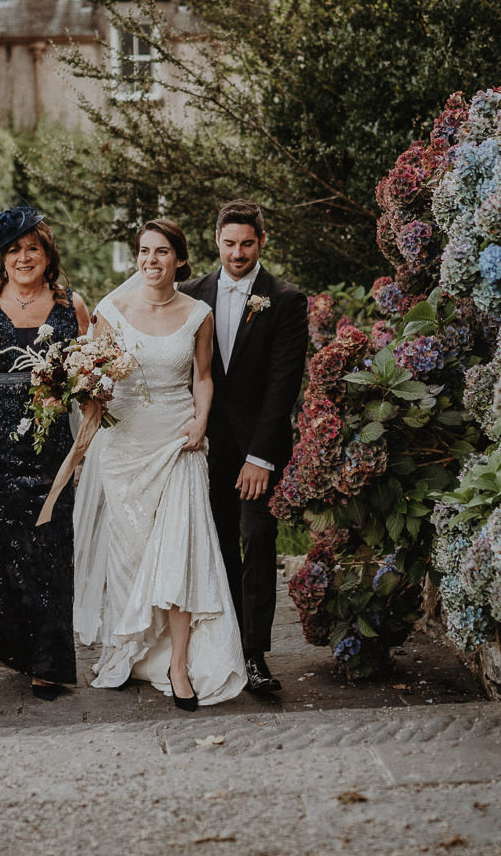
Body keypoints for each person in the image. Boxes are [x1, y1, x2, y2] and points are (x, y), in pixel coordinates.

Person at [72, 218, 246, 709]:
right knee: (130, 560)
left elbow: (204, 377)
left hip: (178, 443)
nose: (151, 260)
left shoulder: (198, 313)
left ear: (180, 259)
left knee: (179, 554)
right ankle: (132, 651)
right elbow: (94, 380)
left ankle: (178, 663)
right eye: (144, 252)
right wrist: (83, 397)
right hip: (125, 449)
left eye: (162, 252)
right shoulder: (111, 310)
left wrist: (200, 423)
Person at [0, 206, 90, 701]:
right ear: (2, 259)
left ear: (48, 257)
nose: (24, 258)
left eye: (34, 248)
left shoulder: (73, 307)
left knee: (51, 557)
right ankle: (16, 650)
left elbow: (91, 383)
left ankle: (49, 664)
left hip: (53, 455)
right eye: (14, 250)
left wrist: (90, 431)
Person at [181, 201, 309, 694]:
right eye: (230, 243)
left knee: (257, 540)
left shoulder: (285, 299)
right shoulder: (189, 295)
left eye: (247, 244)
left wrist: (261, 457)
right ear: (217, 240)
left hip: (259, 450)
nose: (238, 253)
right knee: (214, 546)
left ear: (262, 242)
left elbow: (284, 385)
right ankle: (223, 647)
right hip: (204, 448)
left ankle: (255, 655)